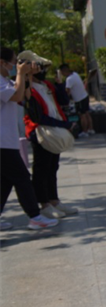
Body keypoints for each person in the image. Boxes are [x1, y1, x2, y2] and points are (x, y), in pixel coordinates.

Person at [0, 48, 59, 231]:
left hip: (6, 140)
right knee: (23, 178)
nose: (16, 65)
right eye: (14, 61)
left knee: (5, 181)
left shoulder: (6, 81)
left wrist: (27, 76)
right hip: (2, 142)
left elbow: (25, 96)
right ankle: (35, 217)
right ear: (2, 62)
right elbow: (17, 96)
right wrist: (20, 73)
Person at [22, 51, 79, 220]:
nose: (42, 70)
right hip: (40, 132)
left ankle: (54, 200)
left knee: (53, 167)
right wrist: (63, 124)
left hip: (53, 130)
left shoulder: (46, 85)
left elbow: (64, 101)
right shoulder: (27, 87)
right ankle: (44, 204)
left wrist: (59, 84)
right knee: (42, 168)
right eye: (39, 67)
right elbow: (37, 116)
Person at [60, 63, 94, 137]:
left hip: (79, 99)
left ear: (64, 71)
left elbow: (67, 91)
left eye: (61, 72)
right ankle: (90, 129)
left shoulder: (69, 79)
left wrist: (65, 99)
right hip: (85, 96)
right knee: (87, 113)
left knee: (82, 115)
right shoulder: (75, 74)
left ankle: (85, 131)